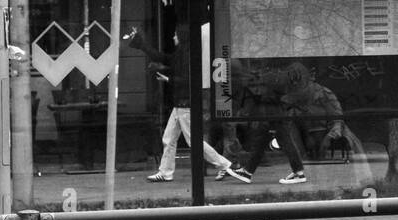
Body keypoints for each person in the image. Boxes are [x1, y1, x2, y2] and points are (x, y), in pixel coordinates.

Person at [127, 25, 249, 183]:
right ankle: (165, 172)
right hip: (180, 104)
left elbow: (188, 80)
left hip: (185, 104)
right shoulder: (182, 54)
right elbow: (163, 58)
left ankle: (225, 164)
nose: (173, 38)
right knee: (169, 138)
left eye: (175, 35)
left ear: (182, 37)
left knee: (193, 141)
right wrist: (141, 44)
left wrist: (167, 78)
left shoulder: (187, 56)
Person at [225, 64, 309, 185]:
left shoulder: (278, 78)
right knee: (264, 141)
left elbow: (269, 94)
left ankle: (299, 173)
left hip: (276, 114)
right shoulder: (283, 78)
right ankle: (247, 171)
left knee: (285, 141)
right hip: (275, 113)